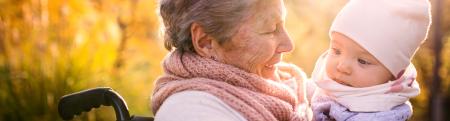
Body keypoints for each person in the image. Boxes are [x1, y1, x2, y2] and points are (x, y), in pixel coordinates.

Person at [151, 0, 311, 121]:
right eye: (270, 29)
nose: (289, 45)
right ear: (205, 42)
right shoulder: (191, 112)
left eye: (283, 24)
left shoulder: (292, 87)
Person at [308, 0, 432, 120]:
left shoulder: (378, 115)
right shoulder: (332, 84)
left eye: (362, 61)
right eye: (336, 51)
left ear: (394, 74)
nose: (342, 66)